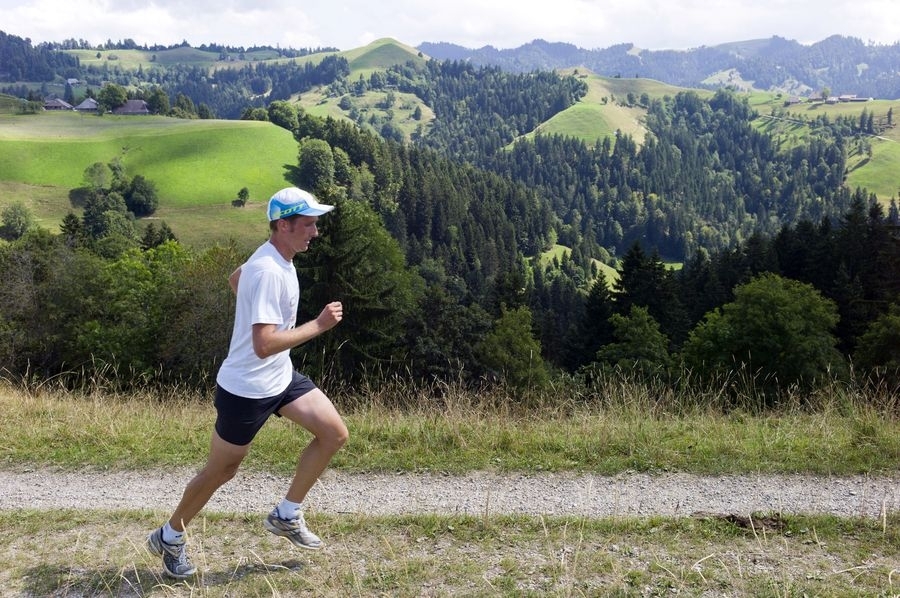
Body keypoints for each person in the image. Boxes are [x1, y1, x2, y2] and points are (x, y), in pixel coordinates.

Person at [147, 187, 349, 579]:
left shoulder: (272, 256)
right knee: (220, 472)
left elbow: (234, 279)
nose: (315, 232)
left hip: (280, 378)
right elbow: (263, 344)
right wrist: (318, 325)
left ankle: (286, 515)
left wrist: (254, 303)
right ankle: (170, 537)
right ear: (283, 225)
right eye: (308, 224)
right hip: (245, 390)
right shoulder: (268, 270)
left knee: (334, 434)